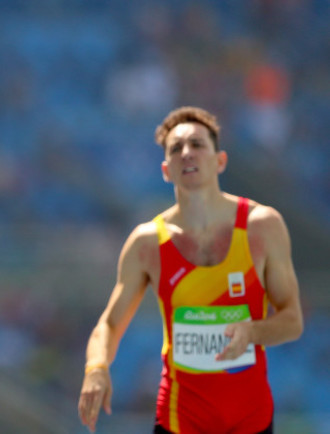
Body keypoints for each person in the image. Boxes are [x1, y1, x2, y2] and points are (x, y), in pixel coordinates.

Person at [78, 106, 303, 433]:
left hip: (250, 421)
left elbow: (292, 321)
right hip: (180, 421)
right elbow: (109, 325)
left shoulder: (262, 227)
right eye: (176, 148)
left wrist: (252, 332)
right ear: (166, 170)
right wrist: (96, 368)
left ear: (220, 160)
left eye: (197, 144)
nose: (187, 152)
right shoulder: (147, 244)